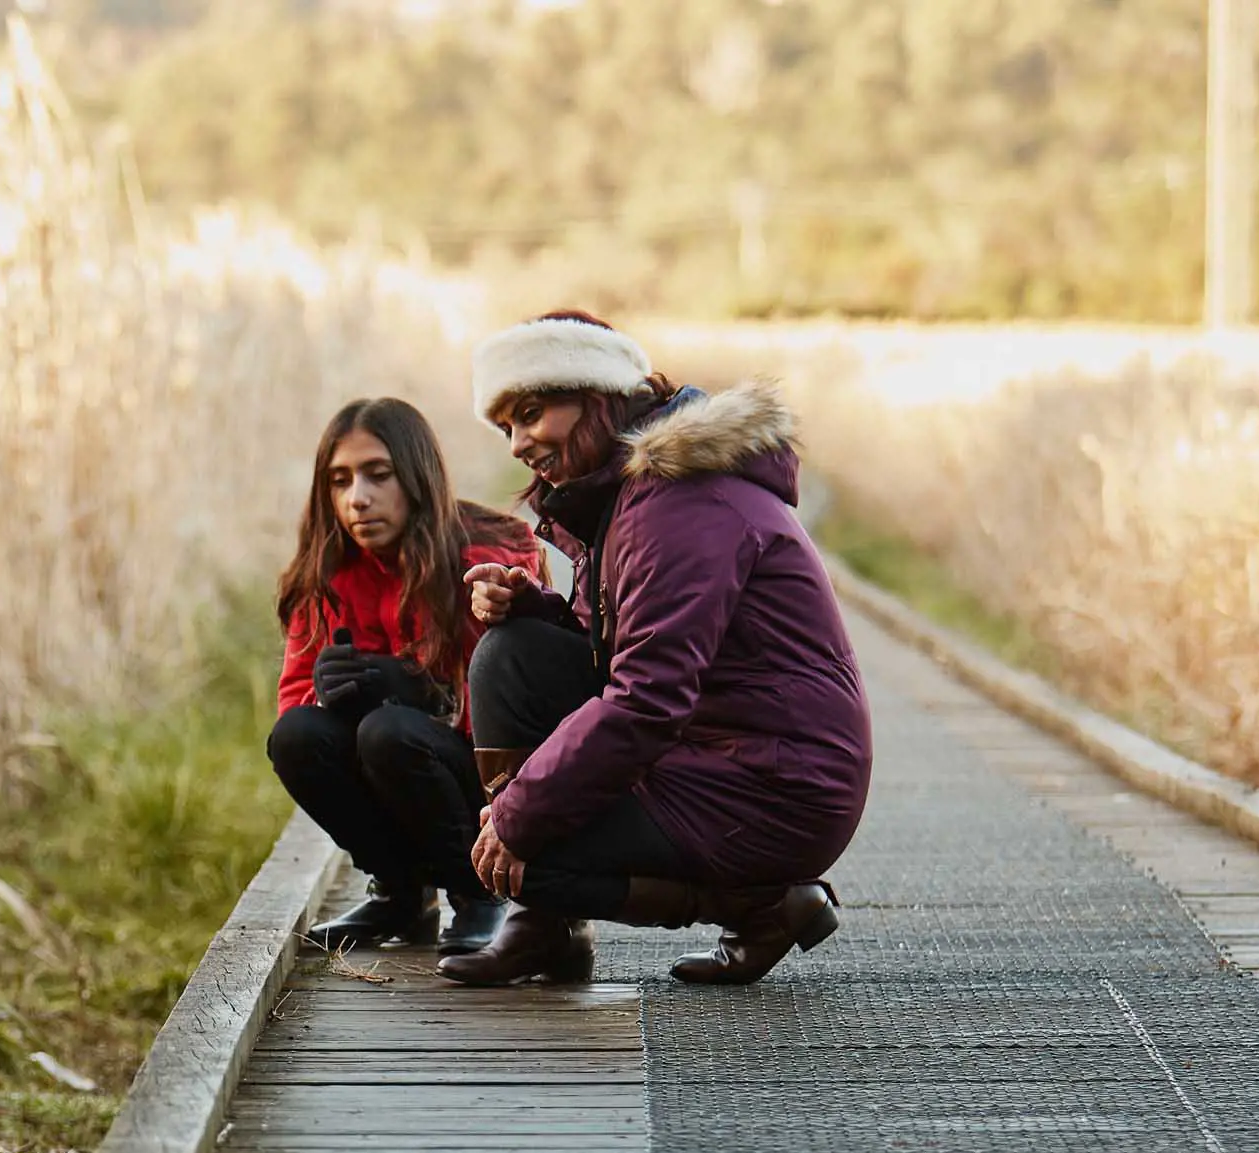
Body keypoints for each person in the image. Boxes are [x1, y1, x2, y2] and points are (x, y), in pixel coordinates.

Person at [435, 312, 872, 988]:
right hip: (713, 755)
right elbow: (616, 649)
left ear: (597, 393)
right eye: (505, 428)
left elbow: (645, 699)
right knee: (513, 652)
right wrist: (534, 608)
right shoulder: (627, 499)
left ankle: (764, 907)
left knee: (530, 853)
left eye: (531, 412)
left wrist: (517, 818)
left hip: (775, 789)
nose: (520, 442)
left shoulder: (680, 505)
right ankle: (542, 925)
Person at [266, 398, 544, 956]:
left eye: (377, 474)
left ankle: (479, 895)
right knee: (297, 737)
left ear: (416, 477)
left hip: (493, 789)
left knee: (389, 733)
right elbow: (293, 702)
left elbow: (518, 724)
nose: (357, 498)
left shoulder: (487, 558)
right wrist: (327, 694)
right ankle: (400, 896)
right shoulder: (326, 571)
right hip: (401, 762)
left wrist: (425, 690)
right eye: (339, 481)